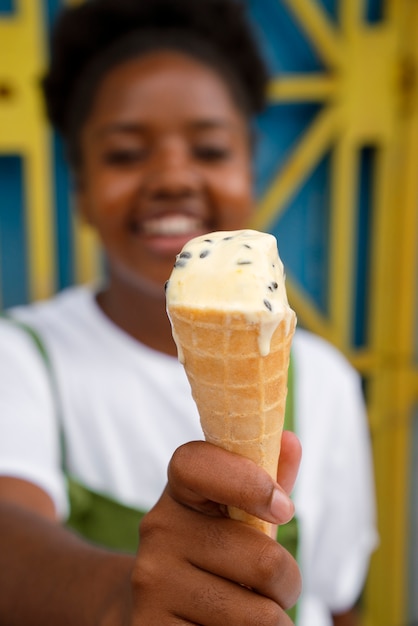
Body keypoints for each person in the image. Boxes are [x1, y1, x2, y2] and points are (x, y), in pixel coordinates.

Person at [0, 0, 377, 624]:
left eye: (209, 149)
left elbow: (341, 602)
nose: (173, 176)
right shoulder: (21, 358)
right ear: (82, 191)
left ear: (249, 170)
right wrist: (121, 600)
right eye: (124, 154)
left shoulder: (324, 380)